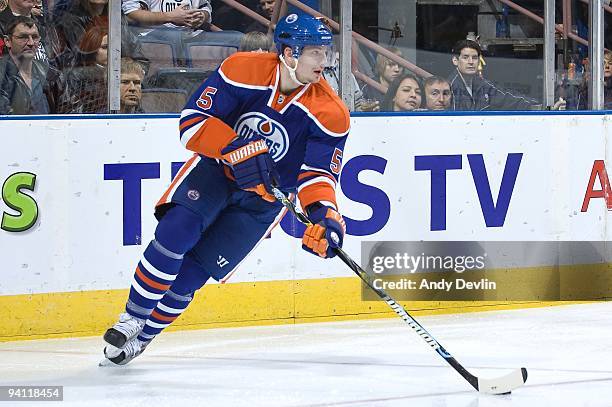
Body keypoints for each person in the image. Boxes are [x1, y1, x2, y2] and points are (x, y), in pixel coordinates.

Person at [101, 13, 350, 366]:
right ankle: (132, 318)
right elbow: (192, 122)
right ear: (290, 53)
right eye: (315, 53)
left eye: (325, 53)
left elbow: (318, 174)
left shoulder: (332, 111)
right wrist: (237, 148)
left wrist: (325, 215)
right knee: (175, 233)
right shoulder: (241, 69)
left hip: (262, 203)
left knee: (192, 275)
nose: (323, 62)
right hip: (217, 175)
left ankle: (144, 337)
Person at [449, 39, 565, 111]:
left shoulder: (481, 84)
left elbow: (509, 99)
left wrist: (542, 107)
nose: (470, 62)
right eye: (465, 57)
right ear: (455, 60)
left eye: (474, 58)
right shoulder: (448, 87)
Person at [0, 16, 50, 113]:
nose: (31, 43)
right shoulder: (2, 74)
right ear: (7, 41)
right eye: (23, 37)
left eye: (35, 37)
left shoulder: (50, 74)